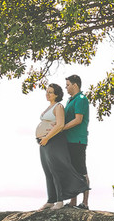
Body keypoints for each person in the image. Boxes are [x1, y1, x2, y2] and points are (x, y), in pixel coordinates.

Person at [35, 82, 88, 210]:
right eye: (47, 91)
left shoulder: (58, 107)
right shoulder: (49, 107)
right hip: (44, 143)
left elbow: (60, 125)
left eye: (50, 92)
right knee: (48, 171)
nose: (47, 94)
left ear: (57, 95)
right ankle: (51, 200)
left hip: (53, 141)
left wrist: (47, 138)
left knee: (56, 170)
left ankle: (59, 201)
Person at [62, 74, 91, 209]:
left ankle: (85, 203)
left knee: (81, 171)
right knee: (71, 171)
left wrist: (62, 128)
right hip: (68, 140)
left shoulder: (81, 99)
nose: (66, 88)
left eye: (68, 85)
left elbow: (78, 119)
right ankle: (73, 201)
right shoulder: (70, 101)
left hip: (78, 140)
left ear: (75, 85)